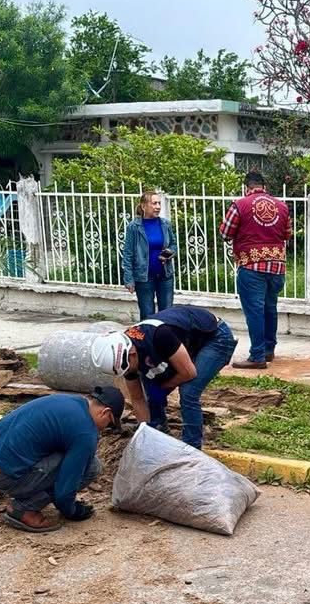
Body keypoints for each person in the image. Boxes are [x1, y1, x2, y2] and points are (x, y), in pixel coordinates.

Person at [0, 387, 124, 533]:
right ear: (105, 412)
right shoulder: (85, 432)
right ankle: (24, 508)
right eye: (109, 424)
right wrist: (72, 511)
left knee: (67, 455)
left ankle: (21, 488)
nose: (105, 429)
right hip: (2, 475)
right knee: (92, 467)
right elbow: (65, 490)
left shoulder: (65, 400)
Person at [90, 305, 238, 449]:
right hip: (185, 342)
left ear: (132, 354)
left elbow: (189, 373)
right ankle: (157, 430)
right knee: (153, 391)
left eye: (128, 369)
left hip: (215, 337)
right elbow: (137, 399)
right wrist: (145, 435)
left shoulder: (160, 336)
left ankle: (192, 447)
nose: (129, 373)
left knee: (188, 391)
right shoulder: (126, 356)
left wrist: (164, 386)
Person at [219, 171, 290, 370]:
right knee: (270, 308)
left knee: (255, 311)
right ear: (264, 187)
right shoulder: (282, 206)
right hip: (277, 266)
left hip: (251, 266)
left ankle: (257, 356)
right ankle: (268, 350)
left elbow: (225, 233)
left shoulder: (239, 205)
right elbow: (287, 234)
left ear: (246, 188)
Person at [122, 190, 177, 319]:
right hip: (144, 277)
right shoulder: (134, 227)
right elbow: (128, 254)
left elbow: (173, 244)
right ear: (143, 206)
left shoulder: (165, 224)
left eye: (159, 203)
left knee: (167, 315)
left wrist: (167, 254)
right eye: (154, 203)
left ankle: (165, 333)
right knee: (147, 315)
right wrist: (129, 279)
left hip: (165, 275)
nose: (158, 206)